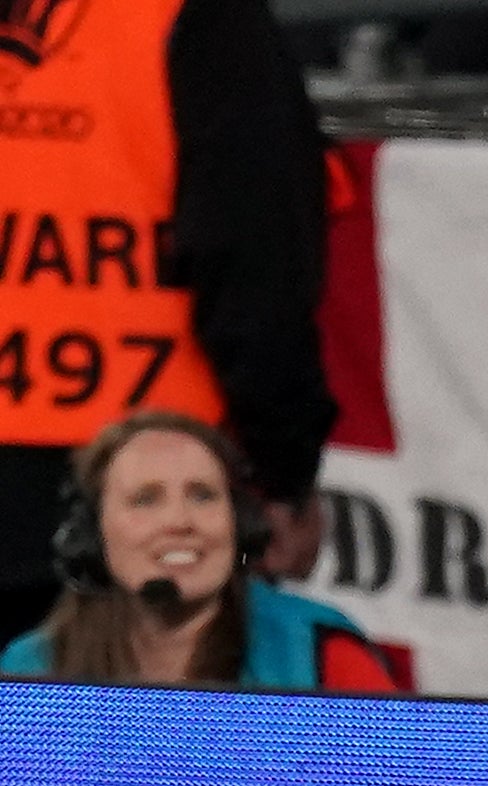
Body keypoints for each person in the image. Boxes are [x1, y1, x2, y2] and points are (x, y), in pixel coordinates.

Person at [0, 0, 339, 643]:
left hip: (117, 508)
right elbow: (256, 267)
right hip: (138, 513)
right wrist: (283, 475)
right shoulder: (194, 19)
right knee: (119, 744)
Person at [2, 411, 393, 690]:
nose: (179, 521)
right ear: (90, 538)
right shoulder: (30, 671)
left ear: (242, 527)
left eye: (203, 496)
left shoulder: (318, 653)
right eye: (145, 500)